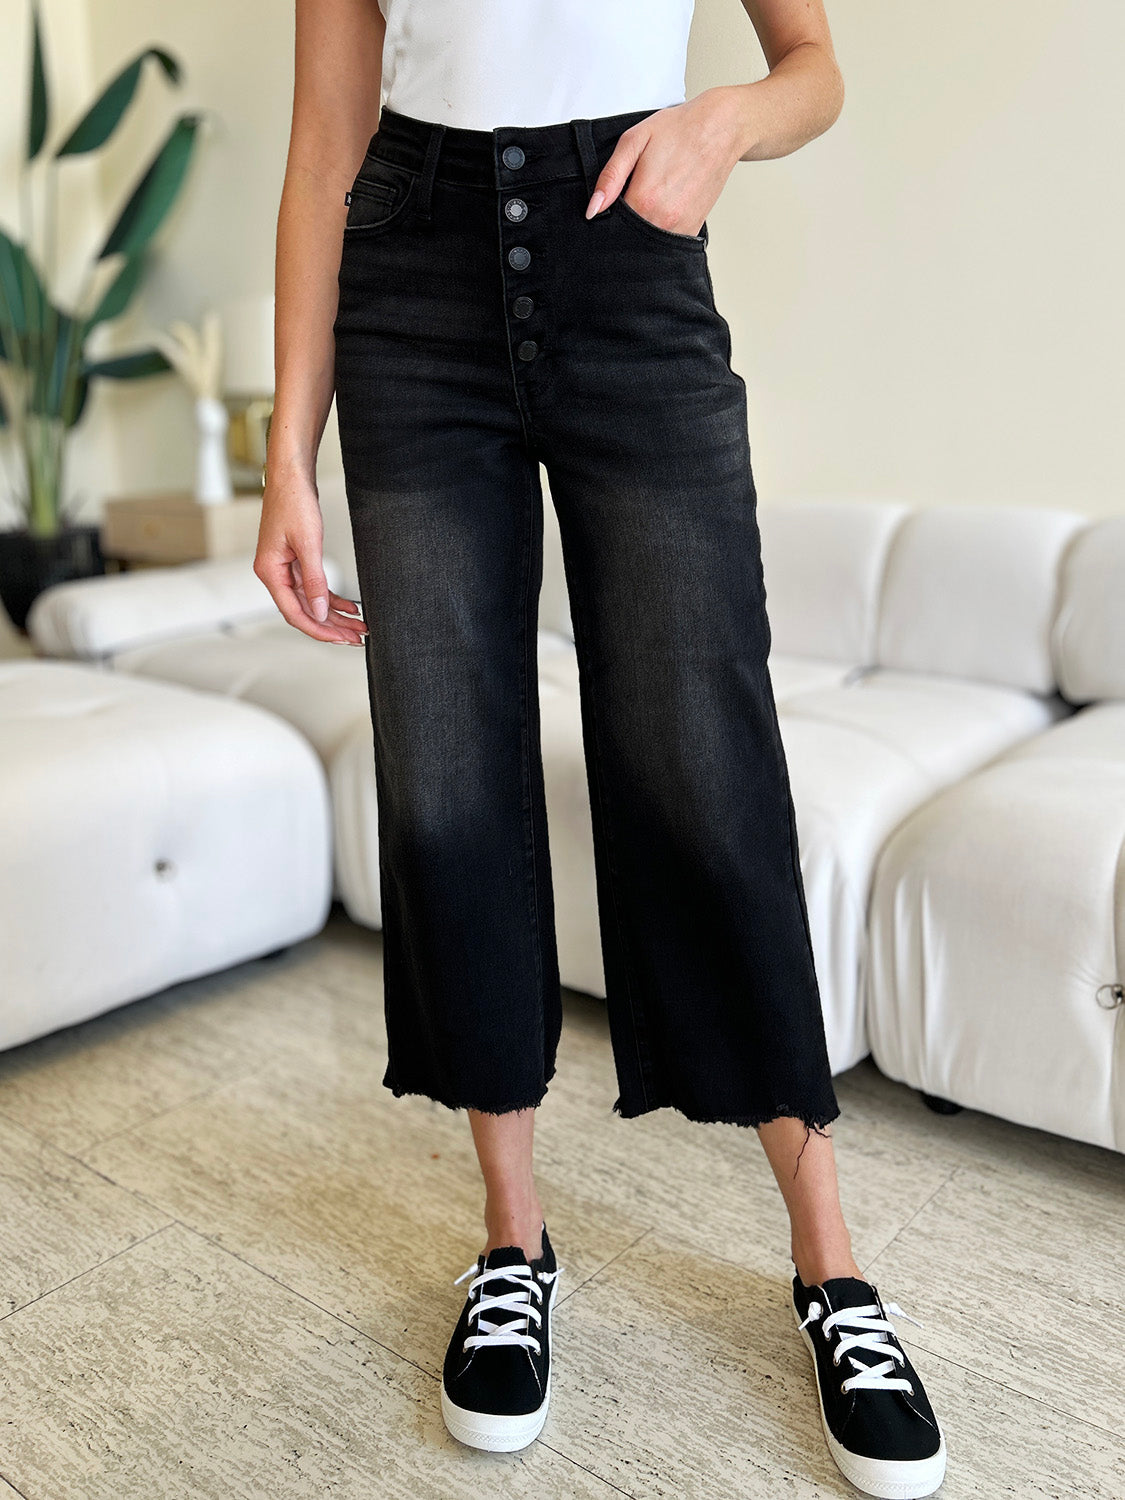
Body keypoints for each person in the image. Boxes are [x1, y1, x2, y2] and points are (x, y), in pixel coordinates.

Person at [255, 1, 947, 1494]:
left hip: (626, 268)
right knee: (443, 768)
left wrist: (722, 122)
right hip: (408, 289)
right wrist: (282, 462)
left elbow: (813, 69)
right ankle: (511, 1240)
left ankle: (829, 1265)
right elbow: (323, 153)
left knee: (702, 758)